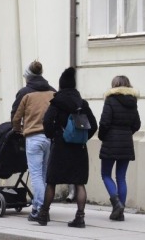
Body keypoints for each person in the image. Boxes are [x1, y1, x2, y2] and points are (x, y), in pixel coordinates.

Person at [36, 67, 98, 228]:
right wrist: (81, 138)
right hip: (79, 149)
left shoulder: (56, 102)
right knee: (79, 183)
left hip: (60, 148)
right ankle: (80, 217)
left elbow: (47, 122)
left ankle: (43, 214)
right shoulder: (82, 104)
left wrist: (54, 136)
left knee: (51, 181)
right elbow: (93, 125)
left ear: (61, 85)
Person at [11, 60, 56, 221]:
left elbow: (16, 117)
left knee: (36, 174)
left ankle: (41, 209)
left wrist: (18, 130)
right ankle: (37, 206)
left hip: (33, 137)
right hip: (49, 138)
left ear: (28, 76)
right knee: (44, 174)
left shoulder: (25, 93)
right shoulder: (52, 91)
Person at [98, 75, 141, 221]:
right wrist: (127, 133)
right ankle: (120, 212)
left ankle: (116, 204)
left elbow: (104, 123)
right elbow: (137, 124)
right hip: (126, 143)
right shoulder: (133, 102)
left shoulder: (110, 100)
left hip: (110, 141)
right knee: (121, 177)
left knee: (105, 174)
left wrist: (103, 136)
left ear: (114, 85)